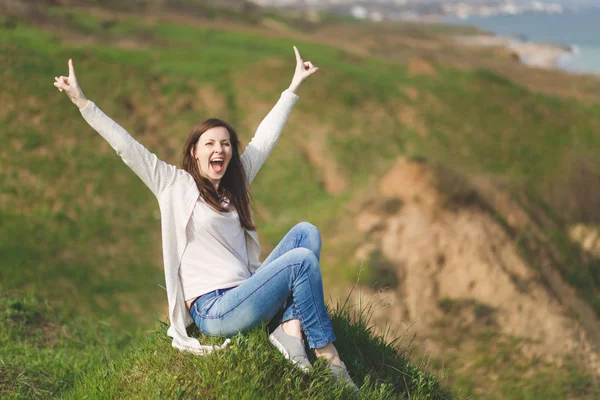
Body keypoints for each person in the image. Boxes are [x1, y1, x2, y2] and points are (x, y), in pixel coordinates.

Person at [54, 46, 358, 391]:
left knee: (306, 233)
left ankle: (290, 330)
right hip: (215, 309)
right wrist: (83, 103)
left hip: (245, 292)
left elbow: (264, 140)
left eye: (226, 144)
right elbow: (127, 147)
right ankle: (329, 357)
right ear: (194, 152)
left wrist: (293, 87)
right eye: (210, 143)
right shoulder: (172, 184)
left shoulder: (234, 186)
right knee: (301, 261)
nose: (220, 150)